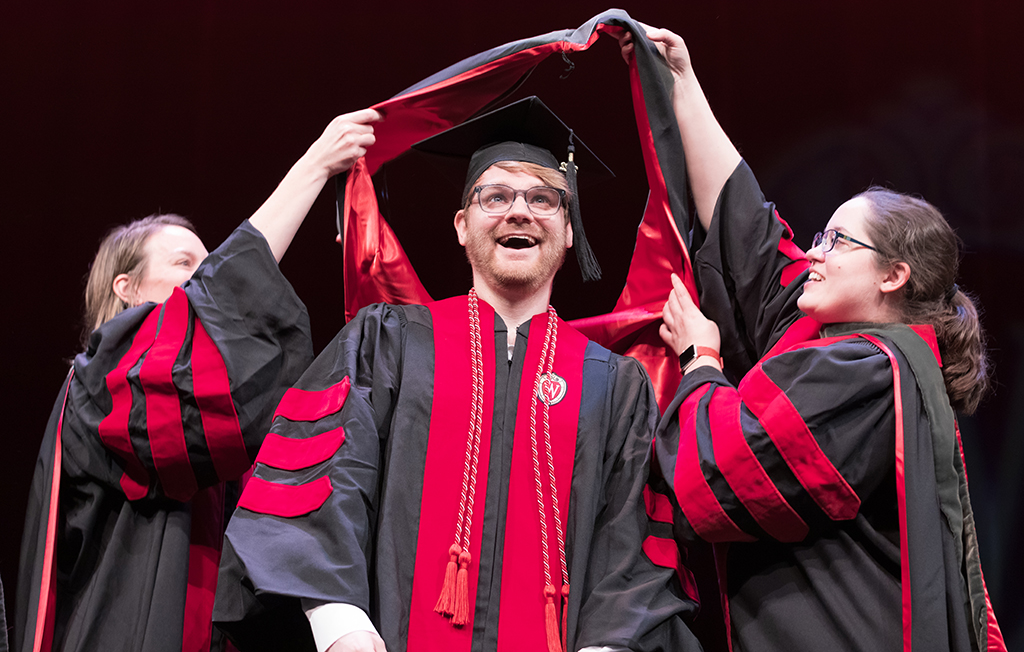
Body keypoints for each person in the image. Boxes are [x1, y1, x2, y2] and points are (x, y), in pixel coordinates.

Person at [212, 98, 700, 652]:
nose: (519, 212)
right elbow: (327, 481)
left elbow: (632, 538)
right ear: (463, 227)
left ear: (569, 231)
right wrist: (339, 621)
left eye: (543, 198)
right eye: (495, 197)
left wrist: (607, 647)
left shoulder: (615, 387)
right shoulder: (389, 343)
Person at [618, 26, 1006, 651]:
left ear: (892, 275)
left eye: (836, 241)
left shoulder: (869, 373)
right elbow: (750, 233)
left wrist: (700, 361)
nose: (815, 254)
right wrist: (683, 84)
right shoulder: (830, 341)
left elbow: (720, 484)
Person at [15, 109, 381, 652]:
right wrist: (311, 167)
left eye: (206, 265)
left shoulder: (209, 418)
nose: (204, 280)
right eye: (186, 265)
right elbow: (218, 305)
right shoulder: (100, 385)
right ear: (126, 288)